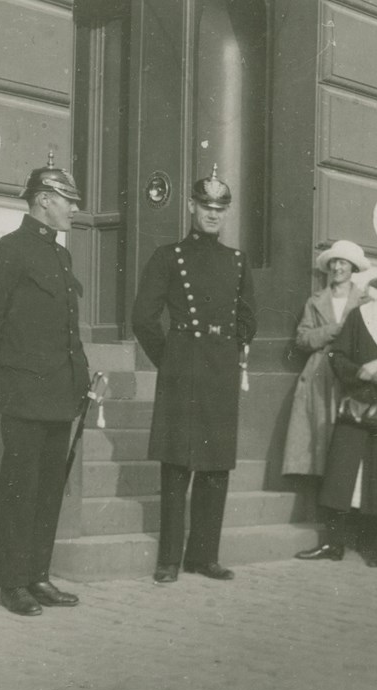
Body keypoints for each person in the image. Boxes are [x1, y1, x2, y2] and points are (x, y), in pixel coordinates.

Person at [0, 156, 89, 615]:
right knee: (19, 490)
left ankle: (38, 575)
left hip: (59, 395)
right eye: (68, 201)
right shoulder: (8, 251)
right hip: (24, 393)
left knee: (47, 490)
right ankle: (12, 583)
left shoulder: (60, 254)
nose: (74, 209)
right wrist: (11, 376)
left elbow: (66, 328)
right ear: (43, 201)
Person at [132, 166, 256, 584]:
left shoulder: (237, 261)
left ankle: (204, 556)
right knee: (177, 464)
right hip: (182, 367)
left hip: (220, 368)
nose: (213, 214)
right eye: (206, 206)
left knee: (216, 465)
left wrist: (234, 340)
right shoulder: (168, 257)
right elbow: (143, 318)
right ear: (190, 206)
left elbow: (248, 316)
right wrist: (169, 358)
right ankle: (169, 558)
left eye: (221, 208)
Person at [298, 259, 377, 566]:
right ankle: (333, 543)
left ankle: (375, 545)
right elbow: (338, 355)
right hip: (357, 403)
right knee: (343, 473)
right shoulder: (359, 316)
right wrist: (359, 373)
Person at [282, 240, 369, 478]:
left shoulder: (366, 302)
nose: (338, 267)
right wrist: (334, 330)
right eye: (334, 262)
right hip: (320, 373)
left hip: (351, 373)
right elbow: (302, 339)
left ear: (353, 268)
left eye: (344, 263)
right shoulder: (315, 301)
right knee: (319, 437)